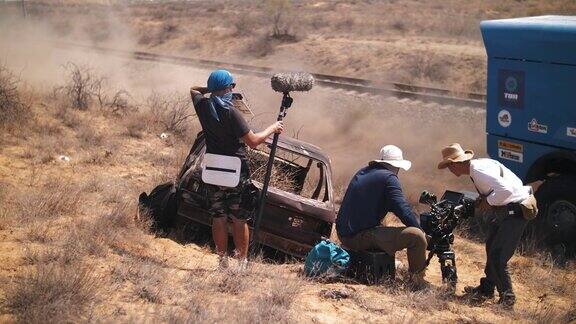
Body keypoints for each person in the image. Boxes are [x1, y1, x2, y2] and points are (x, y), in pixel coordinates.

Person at [190, 69, 284, 270]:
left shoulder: (203, 106)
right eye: (231, 86)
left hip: (213, 170)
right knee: (239, 219)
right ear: (227, 88)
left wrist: (213, 89)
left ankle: (222, 261)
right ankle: (241, 263)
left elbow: (193, 89)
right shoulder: (231, 112)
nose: (233, 89)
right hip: (235, 172)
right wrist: (273, 128)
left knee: (219, 217)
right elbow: (253, 142)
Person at [437, 143, 537, 307]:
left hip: (514, 212)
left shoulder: (479, 172)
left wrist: (488, 202)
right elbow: (512, 182)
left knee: (498, 256)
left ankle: (508, 299)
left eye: (449, 166)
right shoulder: (480, 165)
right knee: (492, 247)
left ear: (455, 164)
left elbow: (506, 192)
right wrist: (486, 200)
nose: (449, 170)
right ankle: (487, 289)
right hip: (509, 209)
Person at [336, 145, 428, 287]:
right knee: (416, 236)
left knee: (384, 223)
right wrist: (422, 231)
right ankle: (417, 283)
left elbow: (391, 205)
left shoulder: (364, 172)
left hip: (345, 234)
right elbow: (403, 209)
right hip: (357, 237)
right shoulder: (389, 178)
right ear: (395, 166)